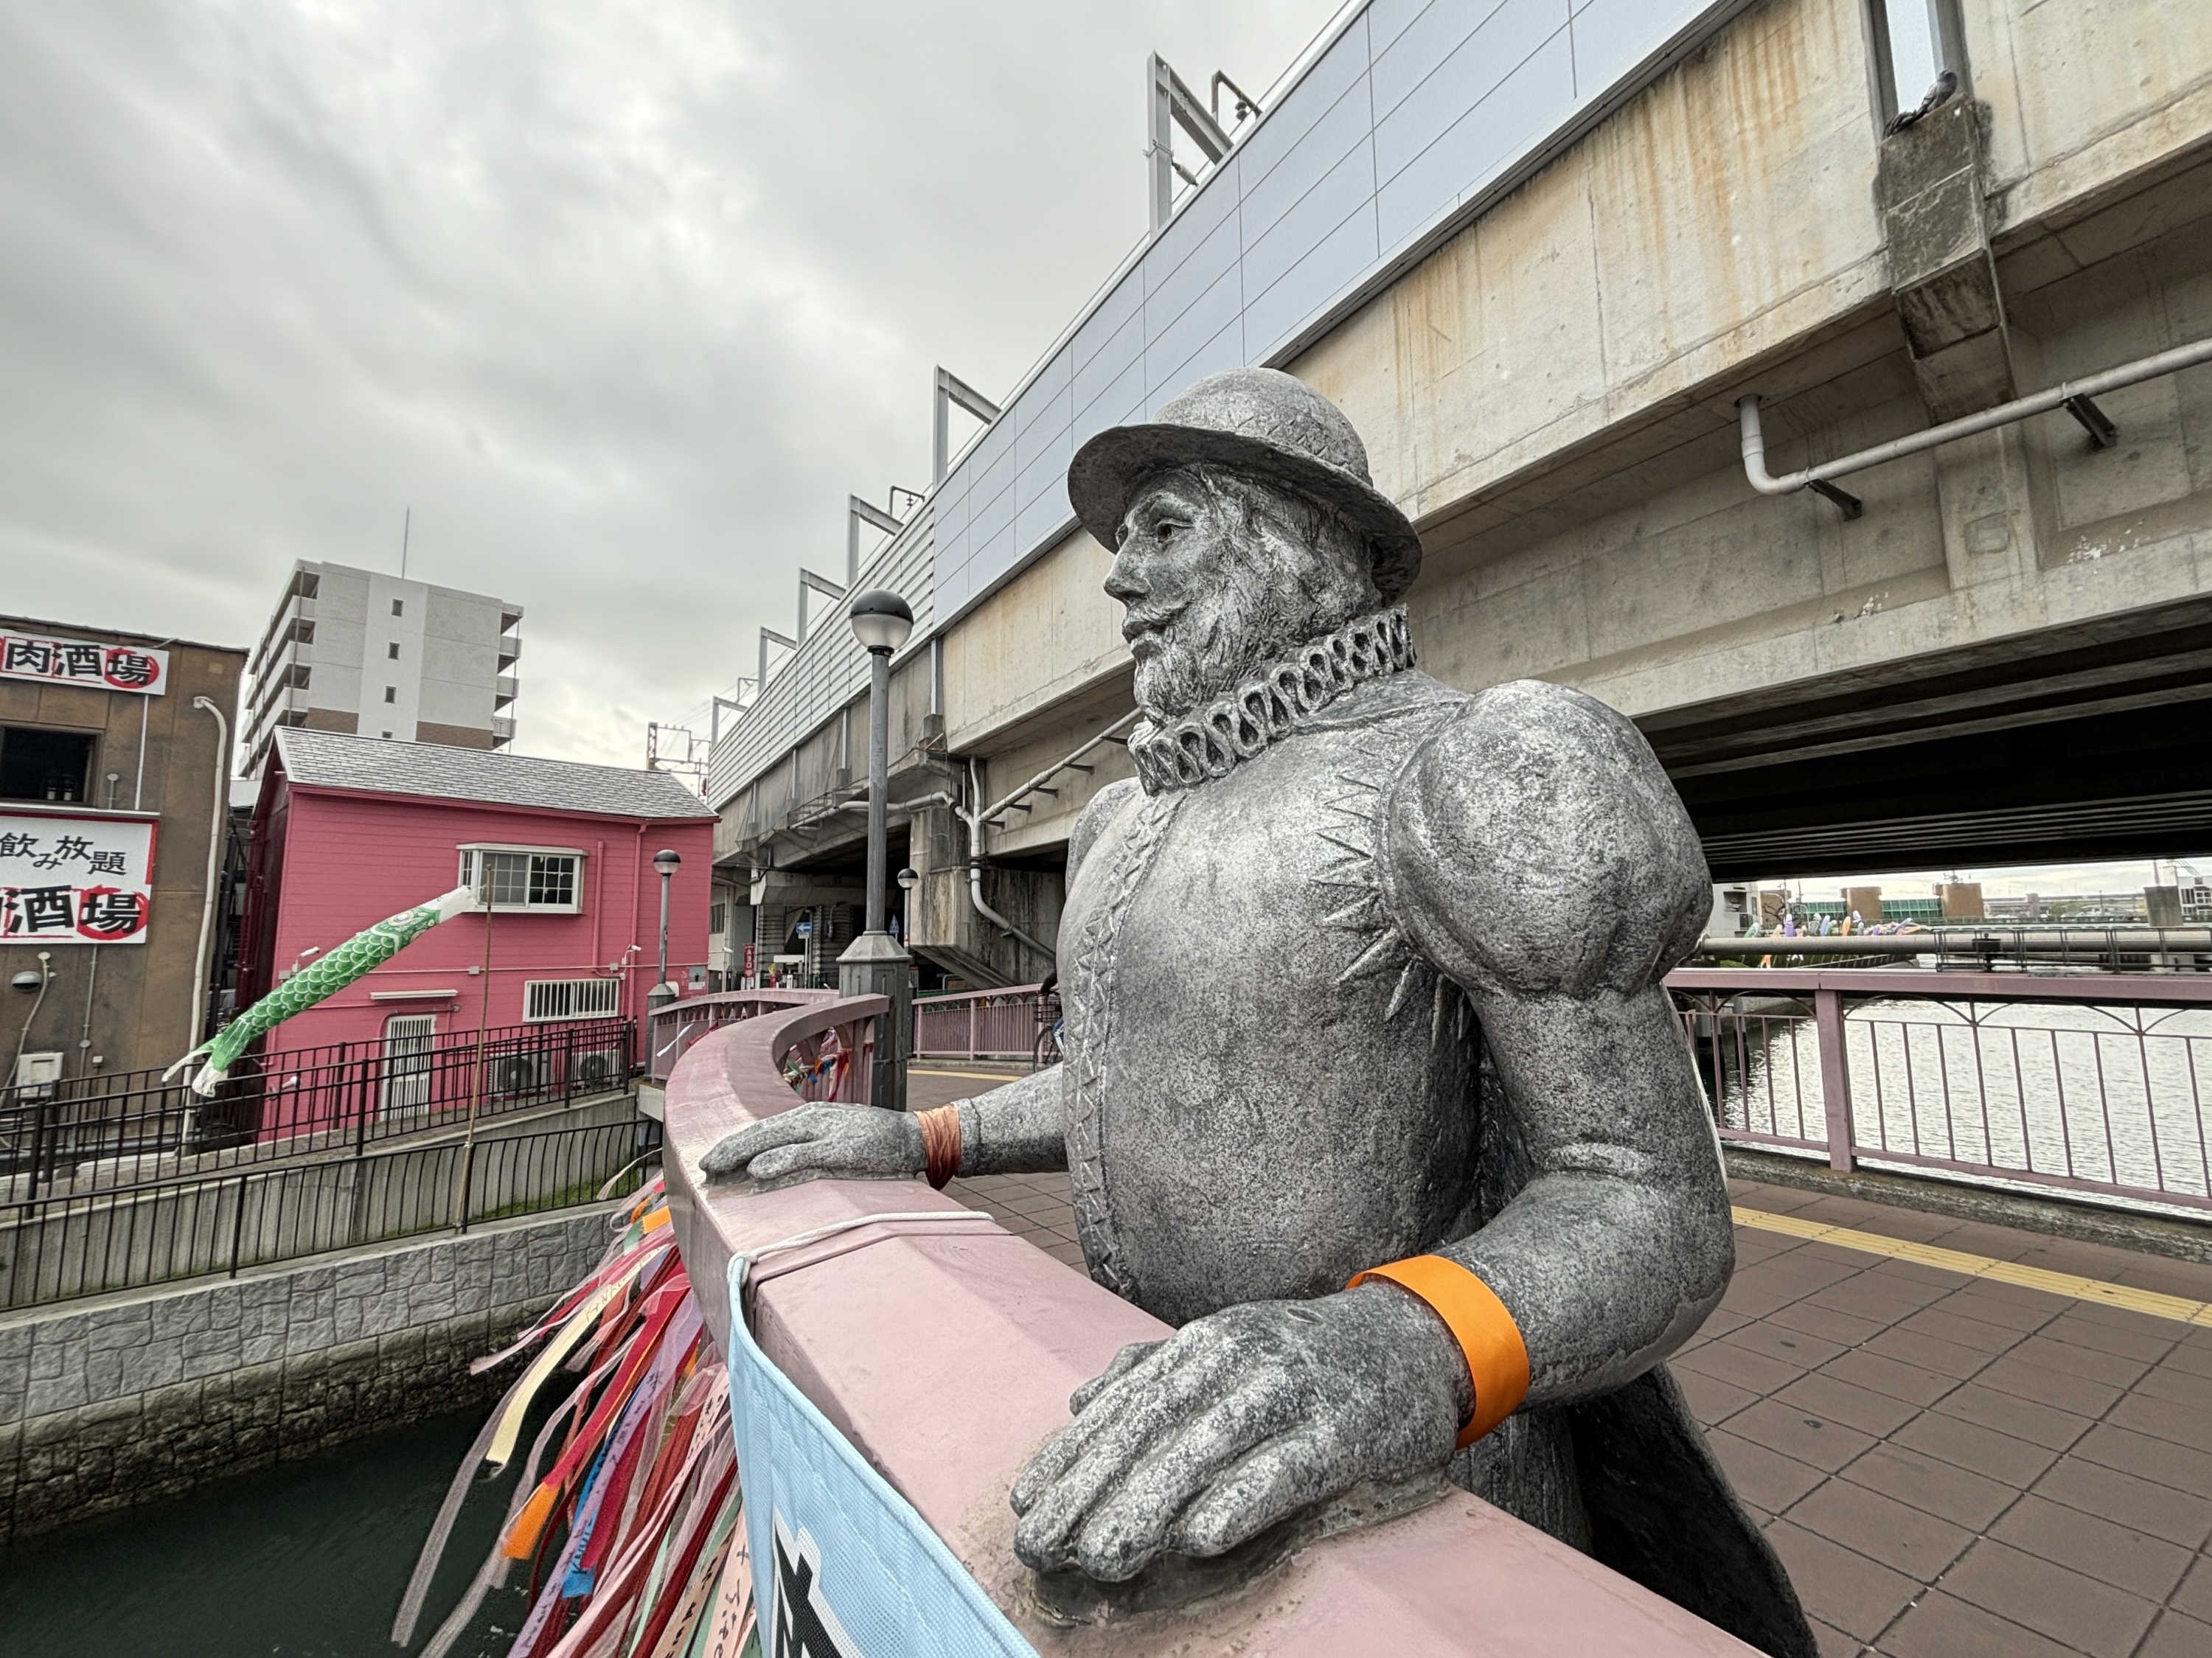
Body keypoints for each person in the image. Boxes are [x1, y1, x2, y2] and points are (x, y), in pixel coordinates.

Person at [705, 368, 1814, 1657]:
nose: (1121, 579)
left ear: (1301, 542)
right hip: (1161, 1456)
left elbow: (1648, 1194)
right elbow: (1133, 1090)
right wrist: (925, 1139)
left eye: (1167, 529)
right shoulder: (1118, 822)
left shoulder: (1479, 770)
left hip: (1439, 1503)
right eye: (1124, 543)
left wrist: (1392, 1349)